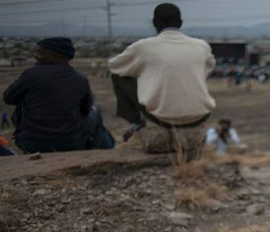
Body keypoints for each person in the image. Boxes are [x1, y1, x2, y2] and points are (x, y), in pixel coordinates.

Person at [108, 3, 216, 156]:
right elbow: (208, 68)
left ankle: (137, 123)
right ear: (180, 23)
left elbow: (114, 66)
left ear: (154, 23)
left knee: (119, 74)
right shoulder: (201, 46)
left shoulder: (143, 47)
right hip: (197, 119)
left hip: (158, 119)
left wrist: (144, 77)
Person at [3, 37, 112, 153]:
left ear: (56, 57)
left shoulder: (32, 74)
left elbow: (8, 98)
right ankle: (94, 153)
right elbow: (85, 110)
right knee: (96, 112)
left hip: (31, 143)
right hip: (72, 143)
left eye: (40, 52)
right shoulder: (81, 79)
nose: (35, 56)